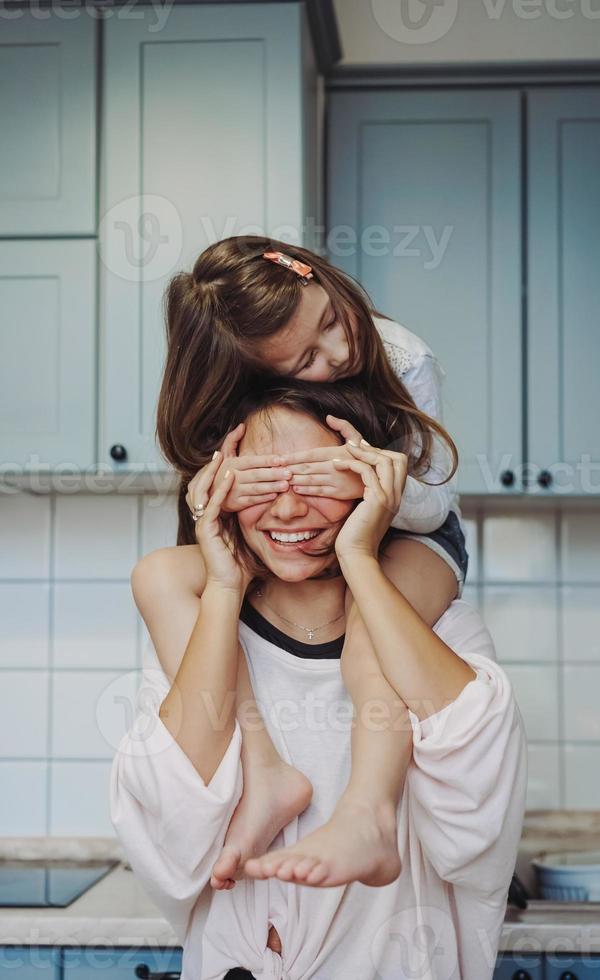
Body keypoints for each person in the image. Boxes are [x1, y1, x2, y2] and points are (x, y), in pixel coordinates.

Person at [110, 382, 527, 980]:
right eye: (259, 483)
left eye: (316, 482)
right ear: (220, 485)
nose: (286, 511)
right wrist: (224, 587)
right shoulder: (198, 633)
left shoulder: (440, 630)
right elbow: (172, 844)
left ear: (372, 481)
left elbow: (478, 825)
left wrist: (360, 553)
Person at [156, 237, 470, 891]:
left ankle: (369, 818)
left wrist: (363, 483)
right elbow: (215, 478)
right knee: (160, 577)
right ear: (263, 371)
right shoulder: (242, 382)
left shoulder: (404, 353)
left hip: (416, 533)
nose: (340, 353)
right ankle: (267, 774)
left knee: (369, 628)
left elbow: (435, 493)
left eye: (330, 321)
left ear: (312, 273)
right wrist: (219, 487)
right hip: (304, 555)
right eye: (305, 361)